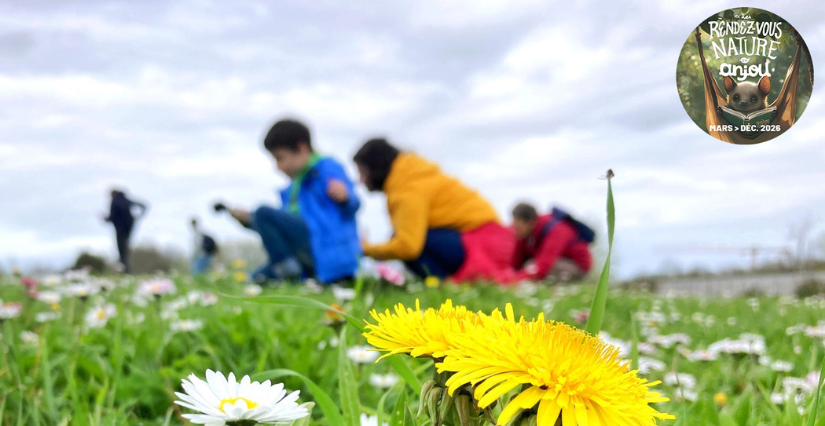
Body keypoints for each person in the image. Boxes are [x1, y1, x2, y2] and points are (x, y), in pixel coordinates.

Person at [354, 138, 515, 283]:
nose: (360, 180)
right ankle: (443, 284)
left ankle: (442, 284)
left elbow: (408, 246)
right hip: (496, 241)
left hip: (482, 245)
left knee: (403, 240)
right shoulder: (411, 173)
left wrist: (364, 249)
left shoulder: (407, 186)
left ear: (374, 167)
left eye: (362, 172)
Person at [226, 118, 361, 284]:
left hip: (326, 251)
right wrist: (249, 221)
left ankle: (287, 270)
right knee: (256, 278)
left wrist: (346, 197)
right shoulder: (294, 188)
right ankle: (289, 270)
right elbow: (280, 231)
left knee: (263, 212)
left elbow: (353, 205)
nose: (277, 167)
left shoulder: (326, 168)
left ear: (302, 149)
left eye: (280, 158)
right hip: (304, 255)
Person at [511, 202, 593, 282]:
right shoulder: (526, 234)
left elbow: (543, 265)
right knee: (530, 266)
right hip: (556, 261)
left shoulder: (557, 230)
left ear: (530, 223)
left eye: (518, 228)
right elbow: (515, 263)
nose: (515, 231)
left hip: (577, 267)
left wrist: (514, 280)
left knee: (531, 266)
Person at [103, 189, 147, 273]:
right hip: (129, 228)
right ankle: (126, 269)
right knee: (125, 248)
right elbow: (143, 206)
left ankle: (125, 270)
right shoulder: (126, 200)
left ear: (113, 194)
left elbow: (112, 217)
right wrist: (137, 216)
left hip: (120, 229)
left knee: (121, 249)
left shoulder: (114, 202)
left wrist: (105, 219)